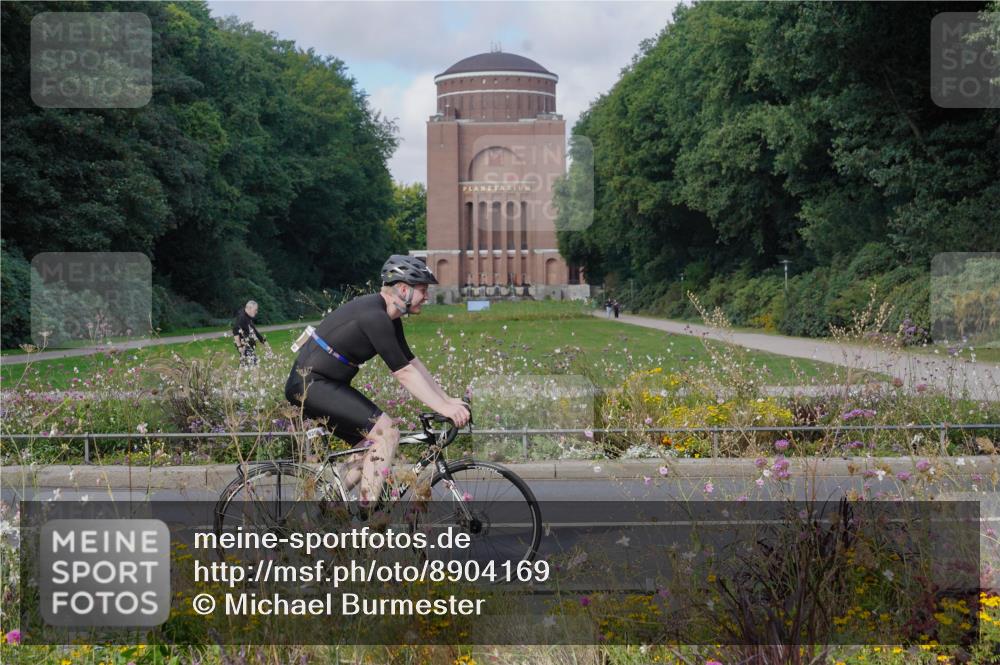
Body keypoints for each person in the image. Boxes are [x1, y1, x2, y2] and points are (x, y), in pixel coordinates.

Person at [284, 255, 471, 506]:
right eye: (423, 290)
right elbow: (403, 372)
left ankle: (324, 507)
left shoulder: (388, 316)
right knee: (387, 433)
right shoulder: (374, 316)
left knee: (369, 447)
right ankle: (370, 515)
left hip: (325, 383)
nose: (427, 296)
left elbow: (411, 362)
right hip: (311, 385)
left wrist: (447, 400)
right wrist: (444, 408)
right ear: (403, 290)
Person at [232, 300, 268, 368]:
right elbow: (235, 331)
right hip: (244, 345)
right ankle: (255, 376)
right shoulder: (242, 317)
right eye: (255, 310)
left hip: (248, 344)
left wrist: (263, 340)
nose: (256, 312)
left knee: (243, 365)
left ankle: (238, 375)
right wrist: (239, 346)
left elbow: (254, 330)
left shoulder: (248, 317)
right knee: (255, 365)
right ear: (249, 308)